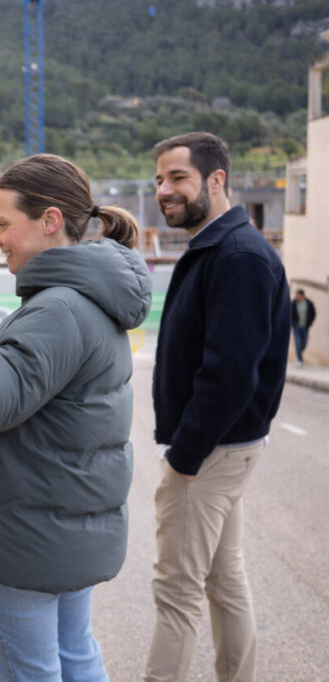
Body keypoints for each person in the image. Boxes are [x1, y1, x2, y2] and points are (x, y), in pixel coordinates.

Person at [0, 153, 151, 682]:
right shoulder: (85, 299)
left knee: (32, 672)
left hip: (24, 532)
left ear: (49, 220)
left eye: (2, 224)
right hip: (56, 522)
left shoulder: (60, 309)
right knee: (75, 655)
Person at [146, 132, 290, 682]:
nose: (164, 190)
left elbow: (230, 372)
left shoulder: (237, 256)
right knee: (224, 579)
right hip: (223, 448)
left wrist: (185, 454)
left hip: (209, 454)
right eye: (159, 179)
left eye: (178, 177)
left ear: (216, 180)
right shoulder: (220, 248)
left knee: (176, 592)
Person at [291, 288, 316, 367]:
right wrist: (293, 323)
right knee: (298, 343)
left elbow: (313, 313)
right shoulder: (293, 303)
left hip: (305, 327)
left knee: (304, 344)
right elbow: (290, 313)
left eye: (298, 295)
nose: (296, 296)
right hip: (296, 327)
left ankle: (299, 353)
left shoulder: (309, 303)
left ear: (302, 295)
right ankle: (300, 360)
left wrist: (309, 323)